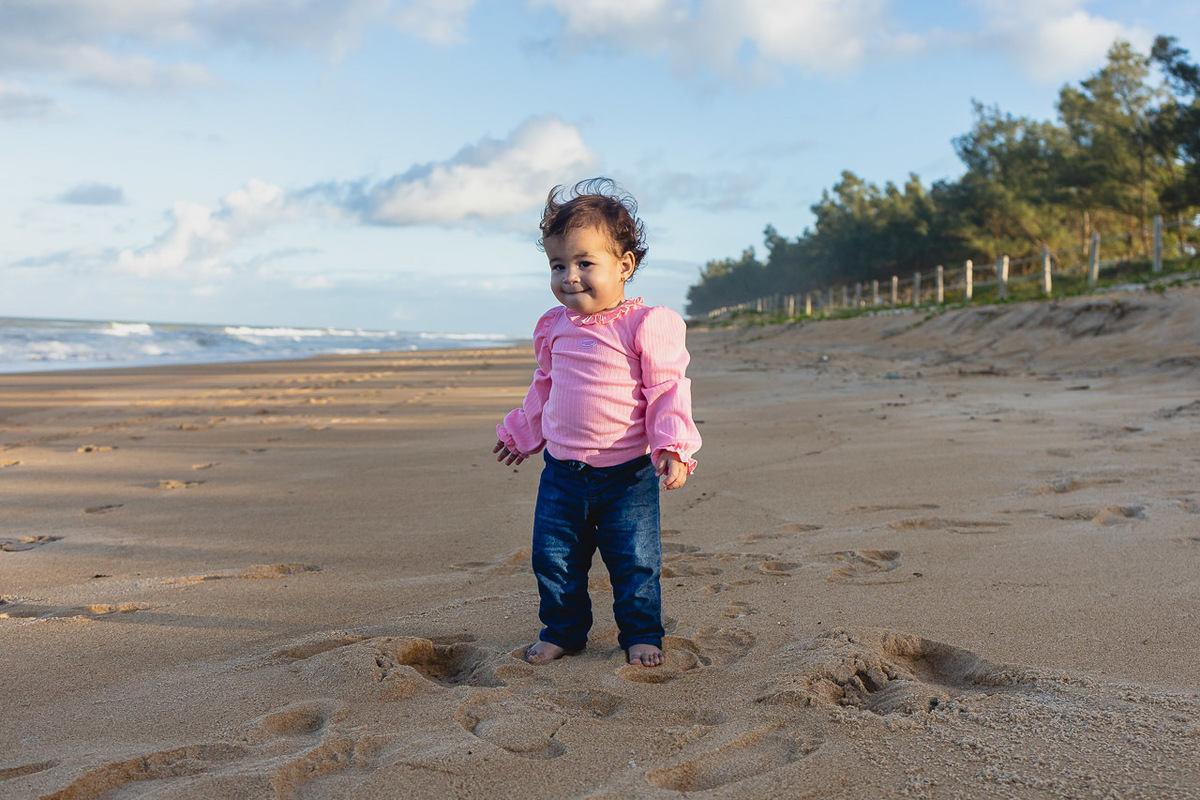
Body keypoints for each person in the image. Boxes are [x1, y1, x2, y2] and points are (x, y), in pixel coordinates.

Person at [493, 177, 702, 668]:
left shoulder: (646, 324)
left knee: (634, 561)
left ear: (624, 265)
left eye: (585, 263)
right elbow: (544, 387)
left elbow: (668, 389)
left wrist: (672, 446)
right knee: (554, 559)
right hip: (562, 475)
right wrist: (524, 433)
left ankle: (641, 634)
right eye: (558, 265)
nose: (570, 276)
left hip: (627, 477)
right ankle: (564, 631)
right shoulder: (554, 326)